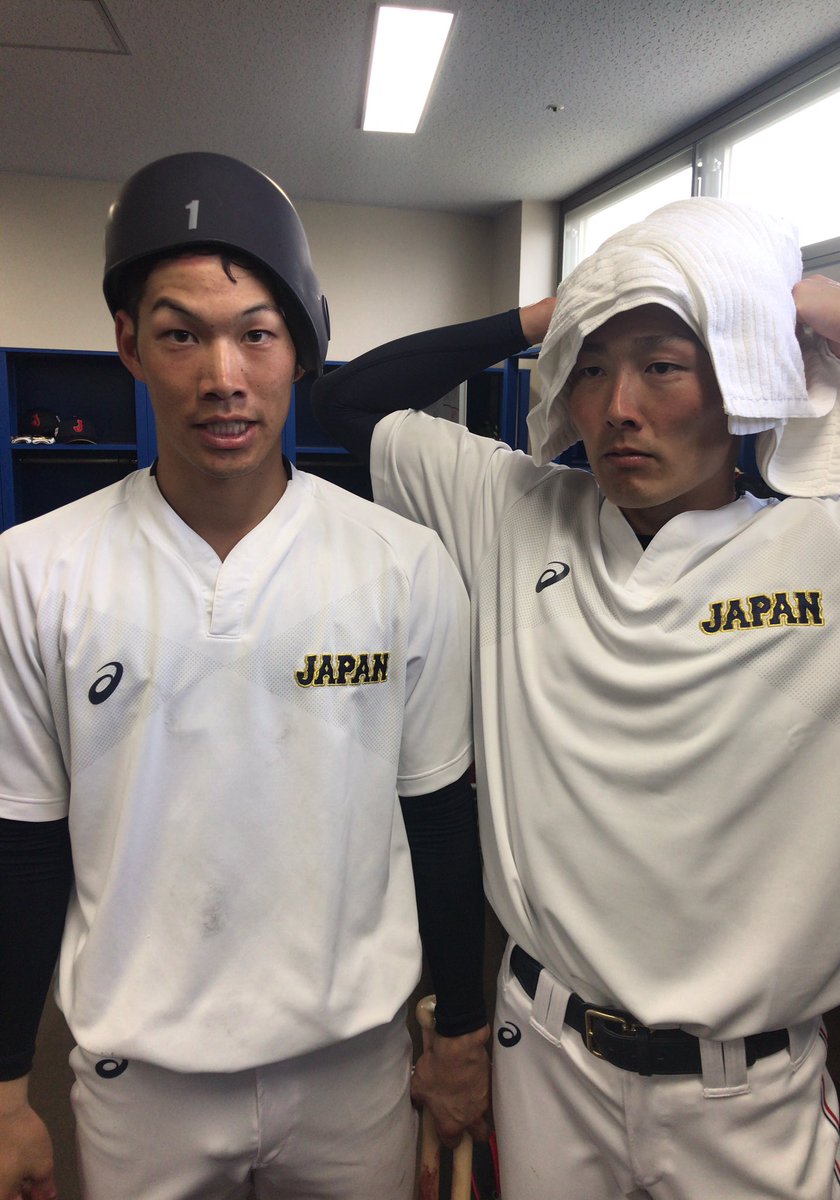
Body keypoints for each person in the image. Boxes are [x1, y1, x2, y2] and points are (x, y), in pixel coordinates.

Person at [312, 197, 840, 1200]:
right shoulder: (515, 512)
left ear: (744, 373)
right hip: (547, 1057)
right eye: (590, 369)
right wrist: (567, 307)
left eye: (662, 366)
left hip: (749, 1097)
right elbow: (345, 401)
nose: (618, 405)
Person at [0, 151, 490, 1200]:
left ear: (301, 350)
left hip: (354, 1068)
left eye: (257, 334)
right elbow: (24, 845)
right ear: (129, 345)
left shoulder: (403, 565)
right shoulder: (35, 571)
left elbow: (440, 819)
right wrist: (3, 1088)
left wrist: (460, 1034)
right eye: (181, 334)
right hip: (141, 1083)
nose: (222, 376)